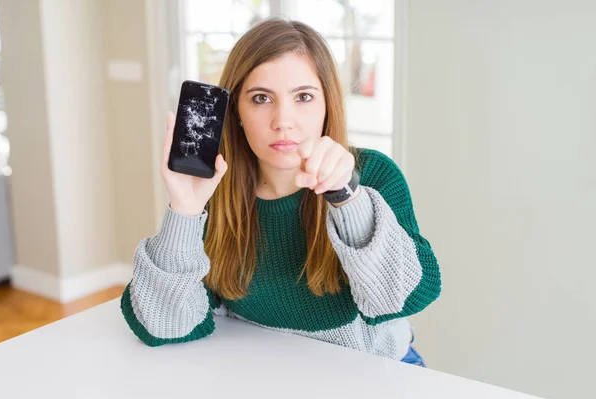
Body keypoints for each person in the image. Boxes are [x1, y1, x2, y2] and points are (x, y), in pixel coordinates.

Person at [120, 18, 441, 367]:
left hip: (374, 374)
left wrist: (347, 198)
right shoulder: (215, 189)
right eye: (261, 98)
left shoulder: (372, 175)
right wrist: (184, 210)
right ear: (237, 112)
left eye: (303, 97)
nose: (283, 120)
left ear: (326, 106)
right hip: (263, 373)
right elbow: (164, 324)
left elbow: (404, 298)